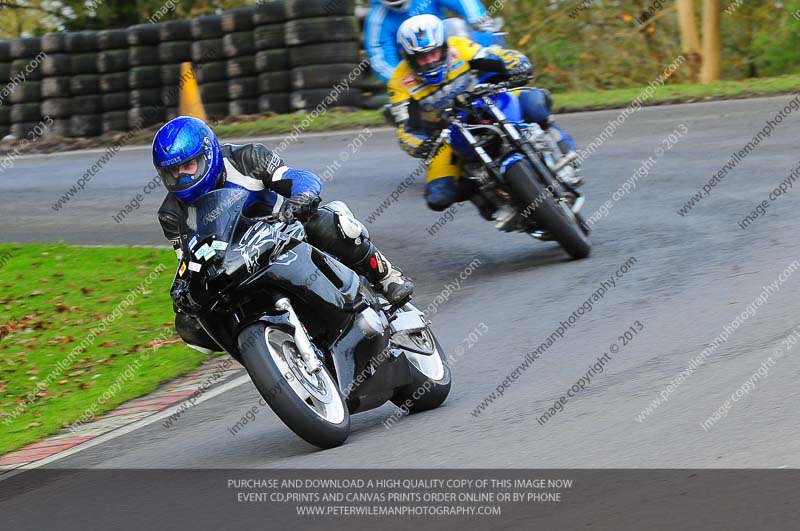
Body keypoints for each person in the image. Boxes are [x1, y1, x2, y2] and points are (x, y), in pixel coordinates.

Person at [154, 116, 414, 354]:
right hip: (236, 265)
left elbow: (294, 177)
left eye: (188, 166)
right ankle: (259, 353)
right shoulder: (171, 214)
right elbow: (188, 259)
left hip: (286, 233)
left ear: (208, 154)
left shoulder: (246, 158)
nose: (181, 178)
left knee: (327, 223)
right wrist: (183, 289)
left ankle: (385, 276)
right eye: (172, 173)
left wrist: (302, 198)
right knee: (190, 323)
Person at [387, 14, 580, 226]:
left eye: (433, 53)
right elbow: (405, 130)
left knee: (535, 101)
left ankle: (563, 148)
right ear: (408, 58)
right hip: (446, 134)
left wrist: (517, 64)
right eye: (422, 58)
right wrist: (421, 145)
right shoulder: (399, 82)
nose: (430, 62)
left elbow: (495, 56)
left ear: (443, 46)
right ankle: (492, 201)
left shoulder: (458, 47)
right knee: (439, 196)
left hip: (485, 102)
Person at [365, 0, 495, 82]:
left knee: (458, 27)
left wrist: (479, 20)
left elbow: (464, 2)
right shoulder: (376, 20)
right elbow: (380, 58)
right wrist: (400, 79)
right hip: (417, 72)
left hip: (449, 53)